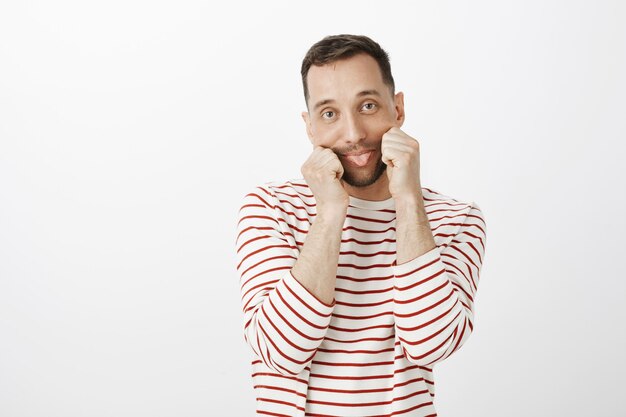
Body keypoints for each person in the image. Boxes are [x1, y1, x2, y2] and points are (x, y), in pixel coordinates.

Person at [235, 34, 487, 416]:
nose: (353, 134)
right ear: (310, 127)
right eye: (330, 114)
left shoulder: (455, 219)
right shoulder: (271, 207)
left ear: (398, 108)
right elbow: (281, 350)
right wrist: (331, 214)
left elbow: (430, 344)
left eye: (367, 106)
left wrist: (407, 200)